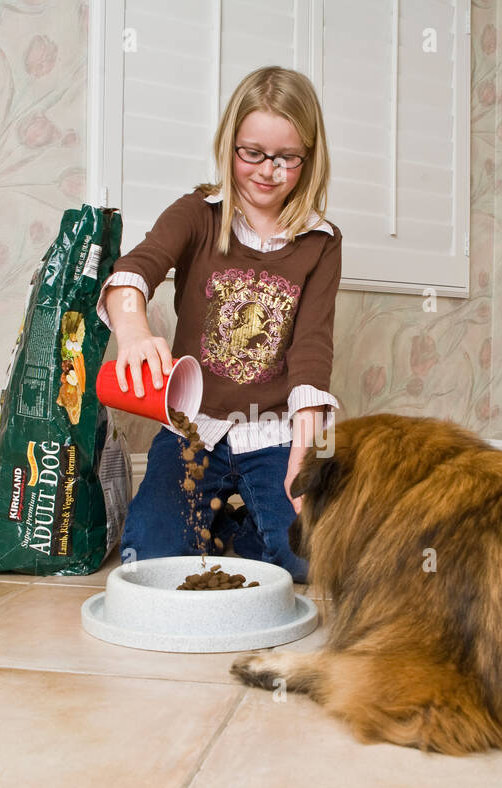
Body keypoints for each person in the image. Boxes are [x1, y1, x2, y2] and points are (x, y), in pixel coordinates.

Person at [96, 66, 341, 584]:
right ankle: (215, 521)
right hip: (192, 426)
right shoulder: (196, 214)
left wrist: (304, 455)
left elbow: (312, 350)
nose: (267, 171)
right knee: (152, 557)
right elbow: (131, 274)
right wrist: (134, 333)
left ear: (309, 157)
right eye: (252, 152)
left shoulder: (321, 241)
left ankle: (236, 526)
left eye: (287, 158)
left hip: (271, 431)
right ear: (229, 143)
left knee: (308, 560)